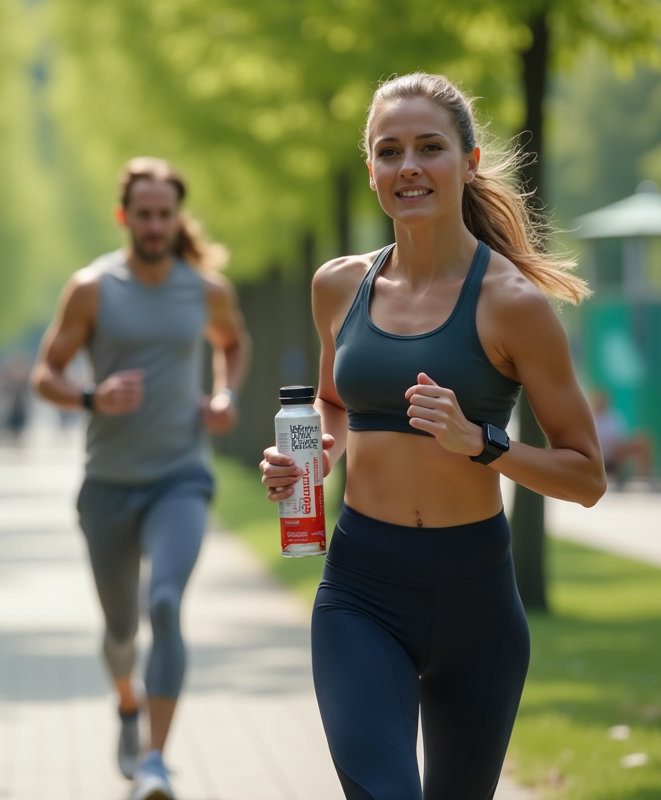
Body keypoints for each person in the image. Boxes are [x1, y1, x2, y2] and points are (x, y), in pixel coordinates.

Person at [259, 73, 607, 800]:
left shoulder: (513, 304)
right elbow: (333, 402)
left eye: (429, 147)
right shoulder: (337, 286)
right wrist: (314, 453)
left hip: (475, 598)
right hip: (362, 590)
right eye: (390, 151)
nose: (408, 166)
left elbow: (587, 476)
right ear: (371, 172)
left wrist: (483, 442)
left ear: (469, 161)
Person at [32, 156, 250, 800]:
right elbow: (46, 374)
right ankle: (126, 701)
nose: (156, 225)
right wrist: (93, 398)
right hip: (107, 482)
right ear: (124, 216)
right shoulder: (92, 288)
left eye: (166, 214)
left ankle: (156, 761)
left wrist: (223, 396)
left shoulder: (207, 289)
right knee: (121, 630)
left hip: (181, 475)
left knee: (166, 604)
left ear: (178, 218)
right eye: (145, 214)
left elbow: (232, 344)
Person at [590, 389, 653, 487]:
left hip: (614, 455)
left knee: (643, 440)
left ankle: (642, 479)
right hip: (596, 458)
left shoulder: (614, 416)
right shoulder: (590, 419)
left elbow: (621, 439)